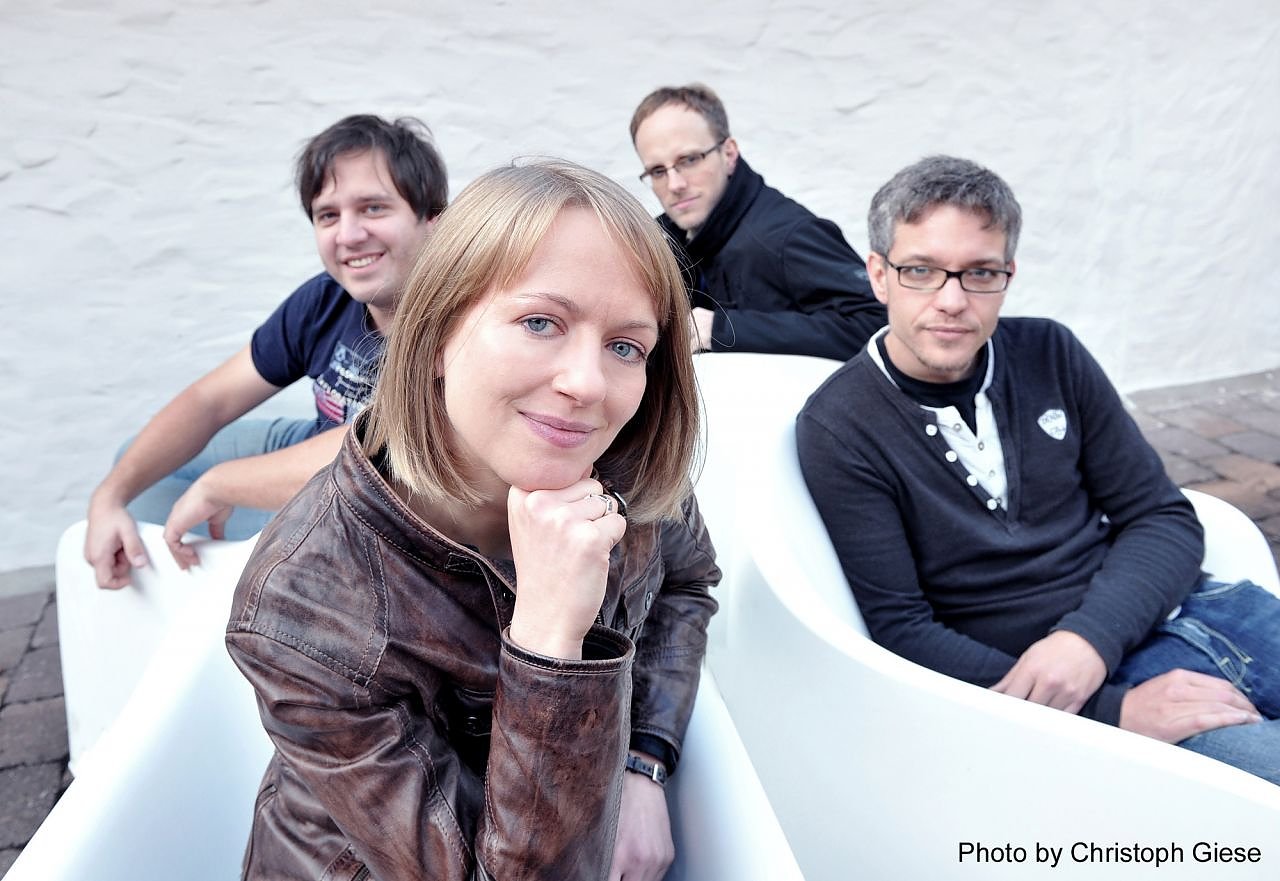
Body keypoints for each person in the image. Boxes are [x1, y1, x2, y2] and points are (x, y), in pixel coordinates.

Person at [226, 159, 721, 880]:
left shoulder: (625, 468)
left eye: (625, 346)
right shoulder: (304, 605)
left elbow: (685, 585)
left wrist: (642, 760)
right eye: (540, 322)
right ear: (434, 338)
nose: (587, 384)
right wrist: (549, 641)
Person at [797, 155, 1280, 785]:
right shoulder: (841, 425)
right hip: (1073, 691)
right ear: (879, 276)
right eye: (921, 271)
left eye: (980, 273)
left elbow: (1161, 516)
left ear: (1008, 276)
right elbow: (902, 629)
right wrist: (1111, 712)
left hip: (1202, 610)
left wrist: (1088, 641)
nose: (952, 300)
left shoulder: (1050, 353)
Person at [84, 114, 447, 589]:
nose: (349, 235)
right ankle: (204, 582)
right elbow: (211, 401)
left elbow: (381, 446)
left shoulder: (460, 319)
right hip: (317, 447)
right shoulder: (325, 300)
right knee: (135, 469)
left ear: (434, 222)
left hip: (395, 508)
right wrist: (107, 498)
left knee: (270, 519)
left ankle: (249, 587)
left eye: (373, 208)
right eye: (328, 215)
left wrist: (221, 483)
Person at [629, 83, 885, 361]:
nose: (675, 184)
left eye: (690, 159)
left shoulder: (787, 234)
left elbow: (877, 324)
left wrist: (721, 328)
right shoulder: (662, 241)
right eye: (657, 171)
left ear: (729, 154)